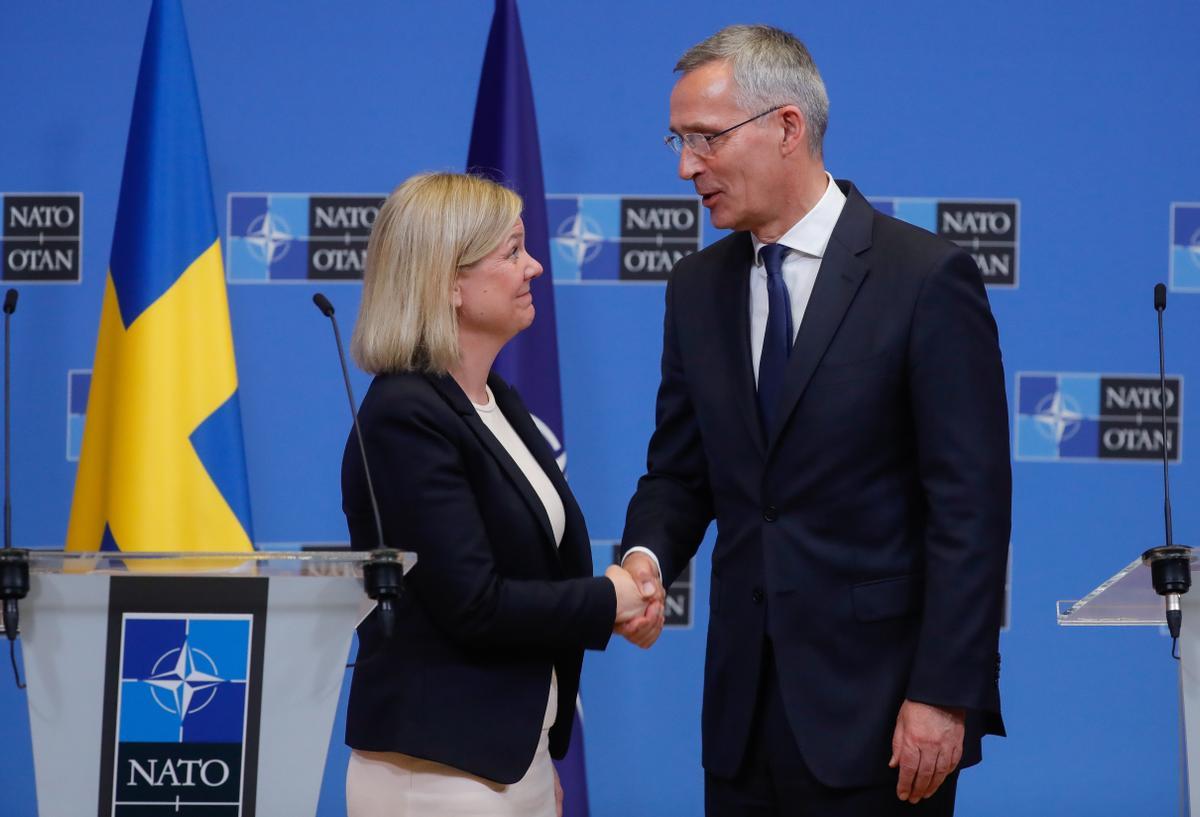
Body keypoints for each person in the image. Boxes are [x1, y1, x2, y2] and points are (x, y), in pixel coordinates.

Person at [616, 25, 1012, 816]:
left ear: (787, 127)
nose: (686, 166)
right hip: (741, 716)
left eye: (704, 138)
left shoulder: (925, 278)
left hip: (884, 715)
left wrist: (943, 691)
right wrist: (645, 555)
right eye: (677, 140)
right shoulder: (695, 287)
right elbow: (680, 470)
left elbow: (969, 510)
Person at [341, 172, 651, 817]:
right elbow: (472, 605)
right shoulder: (404, 417)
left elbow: (533, 565)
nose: (535, 265)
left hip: (507, 759)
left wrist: (530, 763)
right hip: (438, 772)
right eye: (512, 252)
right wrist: (610, 598)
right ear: (448, 282)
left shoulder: (496, 401)